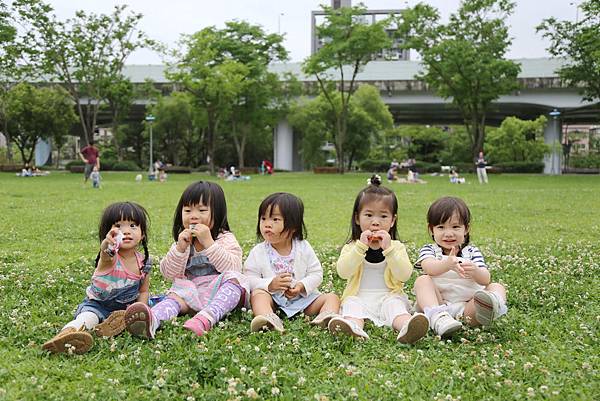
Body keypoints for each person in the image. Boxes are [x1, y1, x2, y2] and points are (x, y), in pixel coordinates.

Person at [124, 181, 249, 338]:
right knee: (173, 298)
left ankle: (205, 318)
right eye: (187, 210)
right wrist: (180, 249)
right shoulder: (182, 242)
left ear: (217, 213)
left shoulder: (224, 239)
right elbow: (168, 273)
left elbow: (233, 267)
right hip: (191, 293)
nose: (193, 216)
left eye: (202, 210)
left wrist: (209, 243)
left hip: (218, 293)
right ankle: (152, 320)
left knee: (235, 281)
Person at [328, 175, 429, 344]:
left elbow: (404, 275)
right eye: (368, 215)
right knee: (352, 306)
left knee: (395, 307)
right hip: (359, 296)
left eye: (383, 216)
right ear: (357, 218)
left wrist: (389, 250)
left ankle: (407, 327)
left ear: (392, 220)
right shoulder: (352, 247)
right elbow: (343, 272)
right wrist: (360, 247)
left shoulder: (396, 247)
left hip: (388, 296)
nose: (375, 222)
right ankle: (353, 328)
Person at [42, 202, 152, 354]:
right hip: (98, 305)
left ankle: (106, 328)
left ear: (143, 234)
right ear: (109, 233)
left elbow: (144, 290)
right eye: (118, 226)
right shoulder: (110, 257)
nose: (126, 231)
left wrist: (139, 309)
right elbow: (107, 252)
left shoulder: (144, 262)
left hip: (125, 308)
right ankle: (66, 334)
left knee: (136, 315)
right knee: (87, 317)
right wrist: (108, 244)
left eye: (133, 225)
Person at [245, 193, 340, 333]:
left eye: (275, 219)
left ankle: (324, 318)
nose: (267, 224)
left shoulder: (303, 247)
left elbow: (316, 274)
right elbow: (248, 278)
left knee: (332, 298)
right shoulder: (258, 251)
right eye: (263, 218)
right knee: (258, 295)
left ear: (293, 226)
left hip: (303, 301)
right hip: (273, 301)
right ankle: (267, 318)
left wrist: (301, 286)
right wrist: (270, 284)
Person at [413, 197, 507, 338]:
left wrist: (475, 271)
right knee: (422, 281)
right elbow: (428, 268)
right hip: (439, 303)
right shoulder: (430, 250)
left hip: (467, 309)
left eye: (456, 227)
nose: (449, 233)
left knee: (496, 286)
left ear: (466, 229)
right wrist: (447, 264)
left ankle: (490, 306)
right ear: (431, 230)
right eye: (441, 227)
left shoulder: (471, 252)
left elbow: (485, 279)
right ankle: (438, 319)